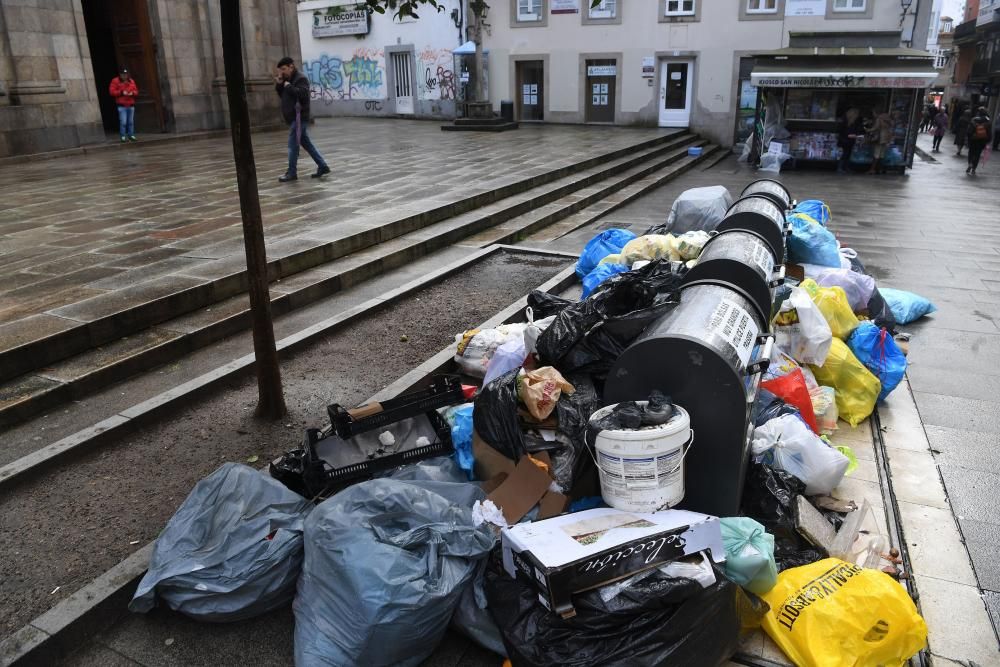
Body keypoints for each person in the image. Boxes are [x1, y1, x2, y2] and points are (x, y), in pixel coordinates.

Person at [274, 56, 330, 183]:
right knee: (307, 144)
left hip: (299, 118)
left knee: (292, 145)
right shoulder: (287, 79)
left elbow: (303, 95)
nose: (282, 72)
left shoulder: (301, 78)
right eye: (280, 70)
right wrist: (279, 84)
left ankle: (292, 172)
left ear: (291, 67)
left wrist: (289, 87)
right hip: (293, 118)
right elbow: (283, 95)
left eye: (284, 69)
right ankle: (322, 166)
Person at [109, 67, 138, 143]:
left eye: (126, 74)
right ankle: (123, 136)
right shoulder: (115, 81)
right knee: (123, 122)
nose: (124, 76)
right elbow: (112, 92)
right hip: (121, 105)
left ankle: (131, 135)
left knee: (131, 122)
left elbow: (136, 91)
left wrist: (132, 93)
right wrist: (121, 92)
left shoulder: (131, 81)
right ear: (120, 74)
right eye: (123, 74)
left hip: (131, 104)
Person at [966, 107, 991, 175]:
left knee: (971, 153)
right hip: (982, 140)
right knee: (977, 154)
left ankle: (970, 164)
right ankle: (974, 169)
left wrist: (968, 138)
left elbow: (969, 131)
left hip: (973, 139)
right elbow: (989, 132)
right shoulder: (988, 121)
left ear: (978, 112)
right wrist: (988, 140)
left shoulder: (974, 119)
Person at [866, 108, 892, 175]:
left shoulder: (879, 119)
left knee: (876, 154)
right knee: (882, 155)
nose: (873, 114)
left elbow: (875, 128)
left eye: (873, 113)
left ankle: (872, 170)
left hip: (880, 138)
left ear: (876, 113)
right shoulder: (887, 118)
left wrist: (867, 130)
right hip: (886, 138)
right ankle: (880, 169)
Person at [837, 107, 862, 173]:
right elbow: (840, 131)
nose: (857, 116)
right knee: (845, 154)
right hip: (845, 140)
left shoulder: (854, 122)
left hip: (850, 140)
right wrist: (848, 135)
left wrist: (855, 134)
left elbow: (856, 130)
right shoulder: (844, 121)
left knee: (848, 154)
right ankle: (841, 167)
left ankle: (845, 167)